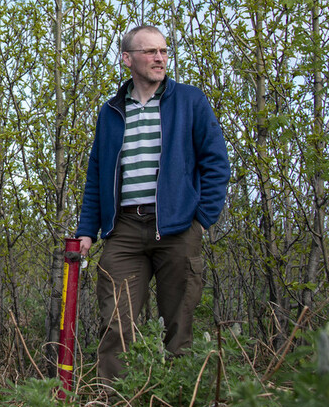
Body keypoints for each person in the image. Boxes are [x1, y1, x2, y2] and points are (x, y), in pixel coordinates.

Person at [76, 25, 231, 381]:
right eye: (150, 52)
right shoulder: (111, 111)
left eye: (163, 51)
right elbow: (96, 175)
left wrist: (202, 218)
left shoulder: (189, 100)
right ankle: (116, 404)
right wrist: (87, 230)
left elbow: (216, 163)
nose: (159, 58)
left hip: (177, 228)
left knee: (180, 322)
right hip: (125, 229)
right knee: (116, 320)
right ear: (128, 59)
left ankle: (178, 404)